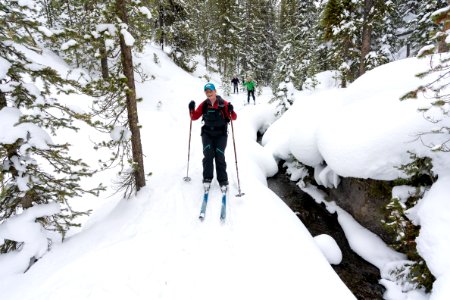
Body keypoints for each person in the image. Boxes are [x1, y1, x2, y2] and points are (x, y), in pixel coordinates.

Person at [188, 83, 237, 191]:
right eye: (207, 91)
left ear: (215, 91)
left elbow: (233, 117)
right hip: (207, 134)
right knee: (208, 155)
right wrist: (191, 109)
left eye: (211, 91)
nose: (209, 93)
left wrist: (231, 110)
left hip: (221, 134)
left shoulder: (223, 103)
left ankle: (223, 180)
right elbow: (194, 117)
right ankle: (207, 178)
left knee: (220, 155)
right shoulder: (204, 104)